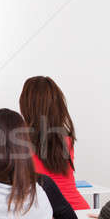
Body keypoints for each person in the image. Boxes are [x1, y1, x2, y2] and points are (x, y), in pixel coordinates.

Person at [19, 76, 90, 210]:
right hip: (79, 213)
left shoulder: (19, 141)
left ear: (26, 105)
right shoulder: (66, 139)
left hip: (48, 218)